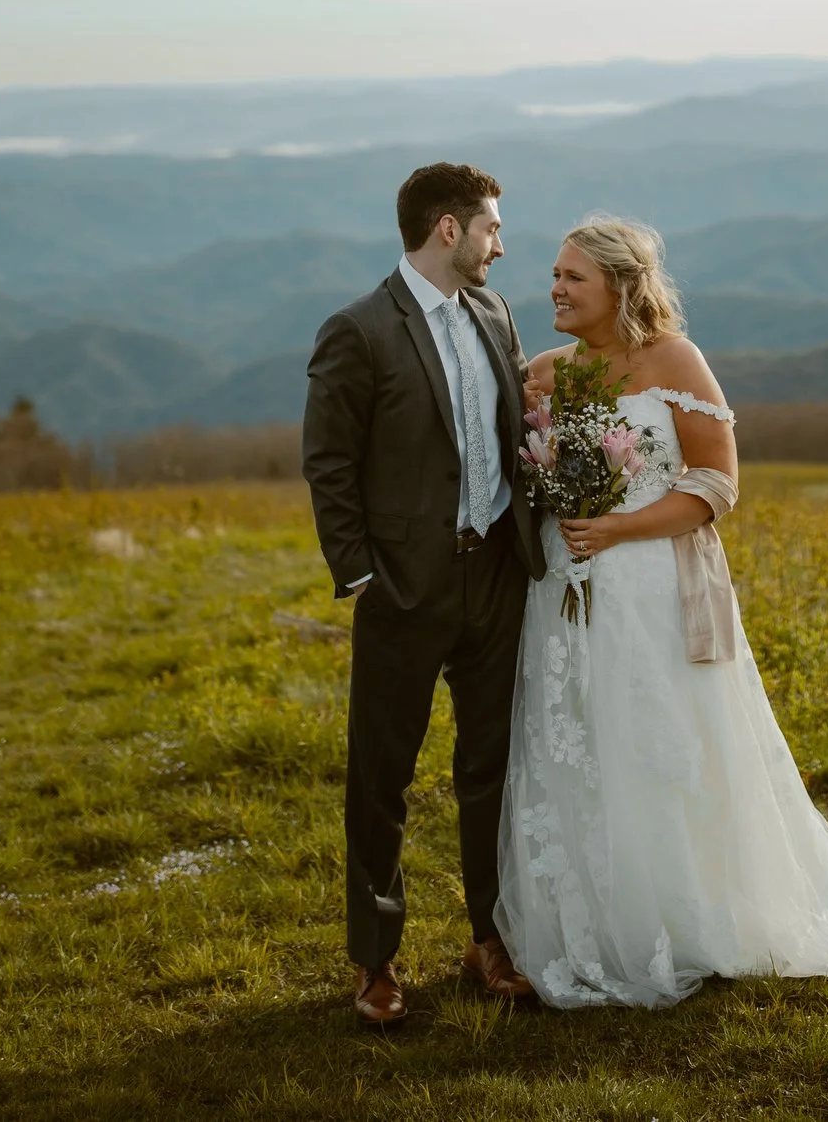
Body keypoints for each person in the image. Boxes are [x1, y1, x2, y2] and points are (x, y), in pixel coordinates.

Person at [495, 215, 828, 1008]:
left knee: (662, 750)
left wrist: (620, 524)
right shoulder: (545, 372)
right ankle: (591, 922)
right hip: (566, 593)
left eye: (572, 278)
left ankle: (686, 915)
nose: (554, 289)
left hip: (655, 589)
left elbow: (716, 483)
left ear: (620, 288)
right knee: (577, 744)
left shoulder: (675, 360)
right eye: (555, 275)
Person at [302, 163, 548, 1026]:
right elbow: (327, 461)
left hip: (497, 578)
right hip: (404, 588)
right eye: (490, 228)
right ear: (449, 228)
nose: (499, 245)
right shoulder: (359, 331)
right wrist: (363, 572)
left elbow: (515, 433)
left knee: (492, 766)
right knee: (382, 776)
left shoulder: (494, 313)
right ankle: (375, 959)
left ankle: (491, 934)